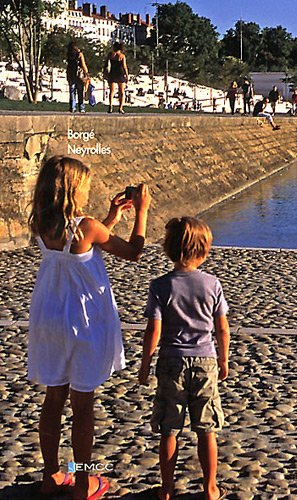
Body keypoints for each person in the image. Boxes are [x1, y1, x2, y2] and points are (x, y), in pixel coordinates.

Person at [28, 156, 151, 500]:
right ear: (73, 189)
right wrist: (141, 211)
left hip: (48, 315)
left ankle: (52, 475)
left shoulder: (42, 222)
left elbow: (87, 239)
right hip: (81, 320)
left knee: (53, 399)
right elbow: (132, 251)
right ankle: (82, 482)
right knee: (82, 408)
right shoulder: (87, 226)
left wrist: (111, 217)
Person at [139, 217, 230, 500]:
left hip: (170, 361)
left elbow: (153, 330)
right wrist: (224, 360)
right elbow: (222, 328)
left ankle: (166, 489)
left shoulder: (160, 285)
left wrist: (145, 364)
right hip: (205, 360)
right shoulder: (212, 284)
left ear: (169, 249)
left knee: (169, 428)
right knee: (206, 428)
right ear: (203, 251)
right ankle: (210, 487)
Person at [105, 42, 129, 114]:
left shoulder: (110, 55)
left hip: (112, 72)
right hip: (120, 73)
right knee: (121, 91)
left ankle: (110, 105)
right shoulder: (122, 56)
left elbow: (106, 64)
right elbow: (124, 67)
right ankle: (120, 107)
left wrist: (105, 72)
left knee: (111, 91)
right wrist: (127, 75)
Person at [66, 42, 89, 113]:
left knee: (72, 91)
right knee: (80, 91)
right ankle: (81, 107)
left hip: (70, 73)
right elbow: (83, 64)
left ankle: (72, 107)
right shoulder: (79, 54)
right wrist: (87, 73)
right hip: (79, 75)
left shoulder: (69, 54)